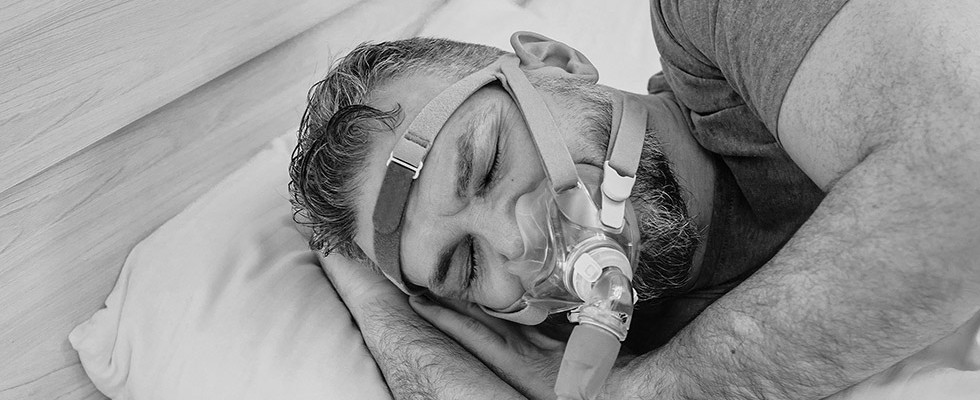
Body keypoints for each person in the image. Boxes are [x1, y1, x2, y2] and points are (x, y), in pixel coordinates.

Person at [288, 0, 980, 398]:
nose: (517, 245)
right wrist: (378, 304)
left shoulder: (717, 19)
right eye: (465, 265)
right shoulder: (569, 347)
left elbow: (965, 176)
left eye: (490, 162)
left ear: (556, 64)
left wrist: (658, 389)